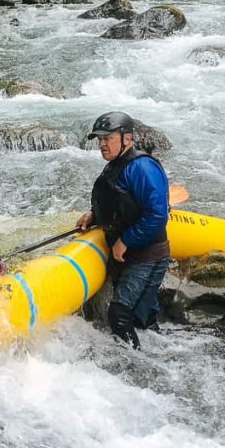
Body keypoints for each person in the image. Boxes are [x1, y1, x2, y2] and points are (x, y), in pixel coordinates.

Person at [76, 112, 171, 349]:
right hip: (130, 255)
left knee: (119, 315)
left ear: (126, 139)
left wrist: (125, 240)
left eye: (108, 138)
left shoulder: (142, 168)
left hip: (148, 255)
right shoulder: (117, 165)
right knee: (142, 317)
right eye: (99, 140)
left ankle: (137, 368)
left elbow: (157, 214)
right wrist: (94, 216)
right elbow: (121, 203)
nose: (102, 144)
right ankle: (161, 355)